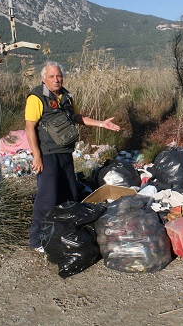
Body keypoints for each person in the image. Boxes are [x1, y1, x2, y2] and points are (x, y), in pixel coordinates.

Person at [25, 61, 120, 252]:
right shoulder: (36, 97)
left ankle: (62, 233)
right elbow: (29, 128)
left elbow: (77, 118)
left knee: (69, 195)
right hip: (47, 155)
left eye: (59, 75)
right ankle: (37, 240)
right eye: (51, 76)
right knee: (47, 198)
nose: (56, 79)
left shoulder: (66, 96)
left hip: (66, 154)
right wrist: (36, 156)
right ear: (44, 78)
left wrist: (102, 124)